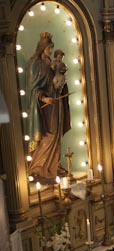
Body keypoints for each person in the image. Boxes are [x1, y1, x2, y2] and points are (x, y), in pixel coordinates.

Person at [26, 32, 71, 180]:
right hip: (45, 107)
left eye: (51, 48)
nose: (50, 51)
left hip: (56, 102)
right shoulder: (36, 64)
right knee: (49, 134)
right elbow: (33, 89)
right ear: (42, 48)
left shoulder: (51, 62)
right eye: (48, 48)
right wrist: (44, 98)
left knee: (56, 134)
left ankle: (53, 166)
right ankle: (39, 167)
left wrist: (62, 84)